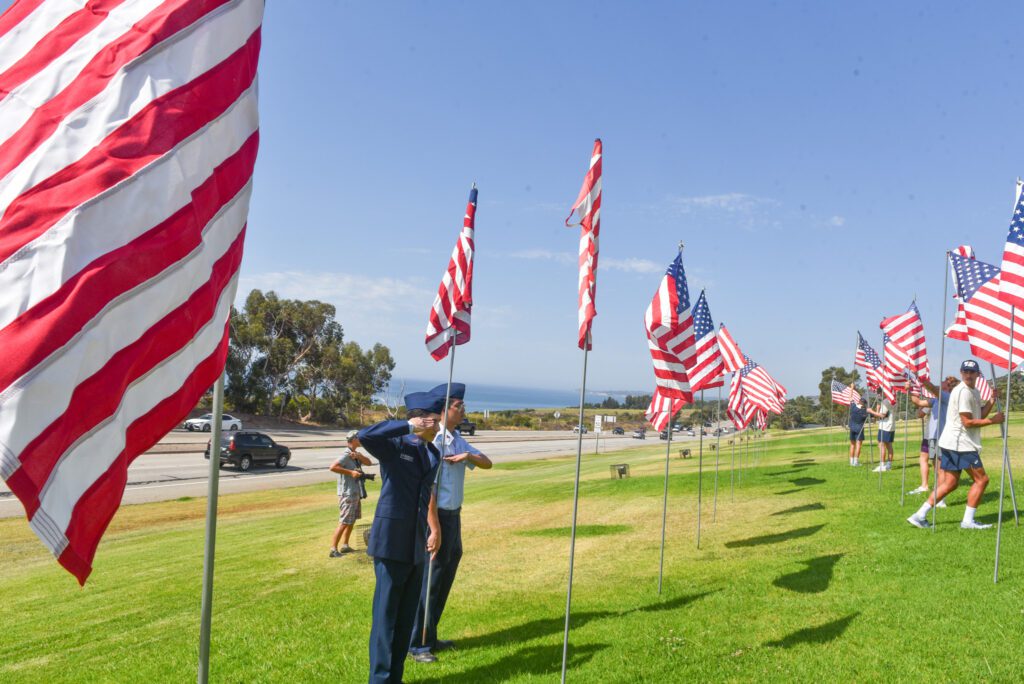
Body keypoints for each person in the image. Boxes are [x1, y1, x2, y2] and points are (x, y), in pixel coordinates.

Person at [358, 393, 443, 684]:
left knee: (405, 621)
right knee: (386, 620)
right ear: (425, 419)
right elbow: (365, 435)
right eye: (436, 418)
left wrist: (431, 530)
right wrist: (408, 425)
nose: (440, 424)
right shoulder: (396, 446)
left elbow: (425, 496)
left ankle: (395, 678)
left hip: (415, 546)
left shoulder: (433, 453)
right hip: (391, 542)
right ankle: (379, 680)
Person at [409, 383, 492, 663]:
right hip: (438, 517)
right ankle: (417, 644)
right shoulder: (435, 440)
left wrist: (468, 456)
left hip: (454, 515)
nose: (464, 409)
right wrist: (434, 528)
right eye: (459, 405)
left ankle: (430, 636)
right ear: (445, 409)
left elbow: (487, 463)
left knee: (444, 576)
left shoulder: (457, 440)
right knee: (430, 581)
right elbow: (428, 488)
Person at [907, 360, 1003, 530]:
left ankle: (919, 515)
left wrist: (992, 401)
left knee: (950, 483)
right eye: (965, 371)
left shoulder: (973, 391)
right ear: (961, 373)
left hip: (950, 442)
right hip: (961, 443)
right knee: (982, 480)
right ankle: (968, 521)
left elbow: (978, 413)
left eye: (971, 372)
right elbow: (967, 422)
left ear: (977, 374)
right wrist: (993, 420)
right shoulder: (963, 392)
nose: (968, 374)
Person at [907, 376, 957, 504]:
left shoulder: (949, 398)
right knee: (937, 467)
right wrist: (910, 390)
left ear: (950, 389)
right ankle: (938, 494)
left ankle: (941, 499)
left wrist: (921, 379)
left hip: (941, 437)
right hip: (933, 438)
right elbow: (918, 403)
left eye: (943, 386)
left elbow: (932, 389)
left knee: (941, 469)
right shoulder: (936, 400)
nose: (940, 387)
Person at [329, 431, 374, 557]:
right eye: (358, 438)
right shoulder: (345, 455)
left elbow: (369, 463)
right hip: (347, 493)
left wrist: (359, 456)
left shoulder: (355, 454)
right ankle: (333, 549)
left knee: (352, 520)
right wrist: (351, 473)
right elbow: (332, 467)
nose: (360, 440)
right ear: (353, 439)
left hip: (355, 492)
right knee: (344, 521)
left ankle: (345, 546)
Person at [867, 397, 895, 471]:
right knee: (889, 445)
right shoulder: (894, 400)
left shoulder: (886, 401)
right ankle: (888, 465)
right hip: (891, 426)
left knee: (881, 445)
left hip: (885, 426)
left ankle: (882, 465)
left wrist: (871, 411)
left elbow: (882, 415)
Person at [848, 398, 868, 466]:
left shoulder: (853, 407)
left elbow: (850, 399)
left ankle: (851, 461)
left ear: (859, 402)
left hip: (852, 428)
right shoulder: (865, 411)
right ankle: (856, 462)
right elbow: (873, 416)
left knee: (852, 445)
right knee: (858, 445)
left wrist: (852, 388)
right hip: (860, 429)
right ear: (864, 404)